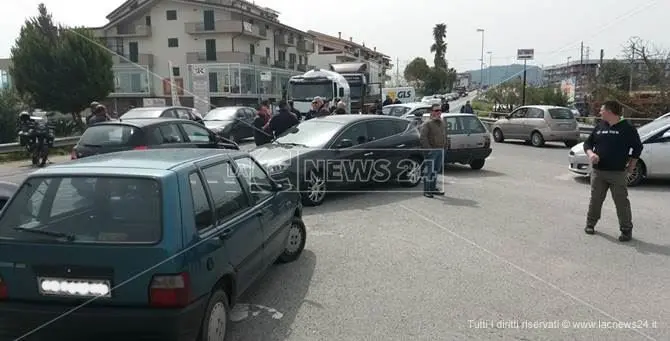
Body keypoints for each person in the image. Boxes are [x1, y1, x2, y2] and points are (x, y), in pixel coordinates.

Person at [583, 100, 643, 242]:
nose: (600, 112)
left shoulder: (627, 128)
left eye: (602, 110)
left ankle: (626, 230)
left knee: (621, 202)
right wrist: (591, 154)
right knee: (595, 200)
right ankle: (590, 224)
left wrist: (632, 165)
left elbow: (638, 148)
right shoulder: (599, 126)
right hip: (598, 173)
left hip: (617, 173)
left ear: (609, 111)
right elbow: (588, 143)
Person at [419, 103, 447, 198]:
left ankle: (433, 188)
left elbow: (444, 135)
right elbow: (423, 138)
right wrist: (429, 150)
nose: (438, 112)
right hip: (431, 151)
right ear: (431, 112)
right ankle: (427, 190)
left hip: (440, 150)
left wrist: (445, 146)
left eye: (440, 110)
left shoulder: (442, 122)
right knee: (429, 171)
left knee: (436, 171)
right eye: (436, 110)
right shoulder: (427, 124)